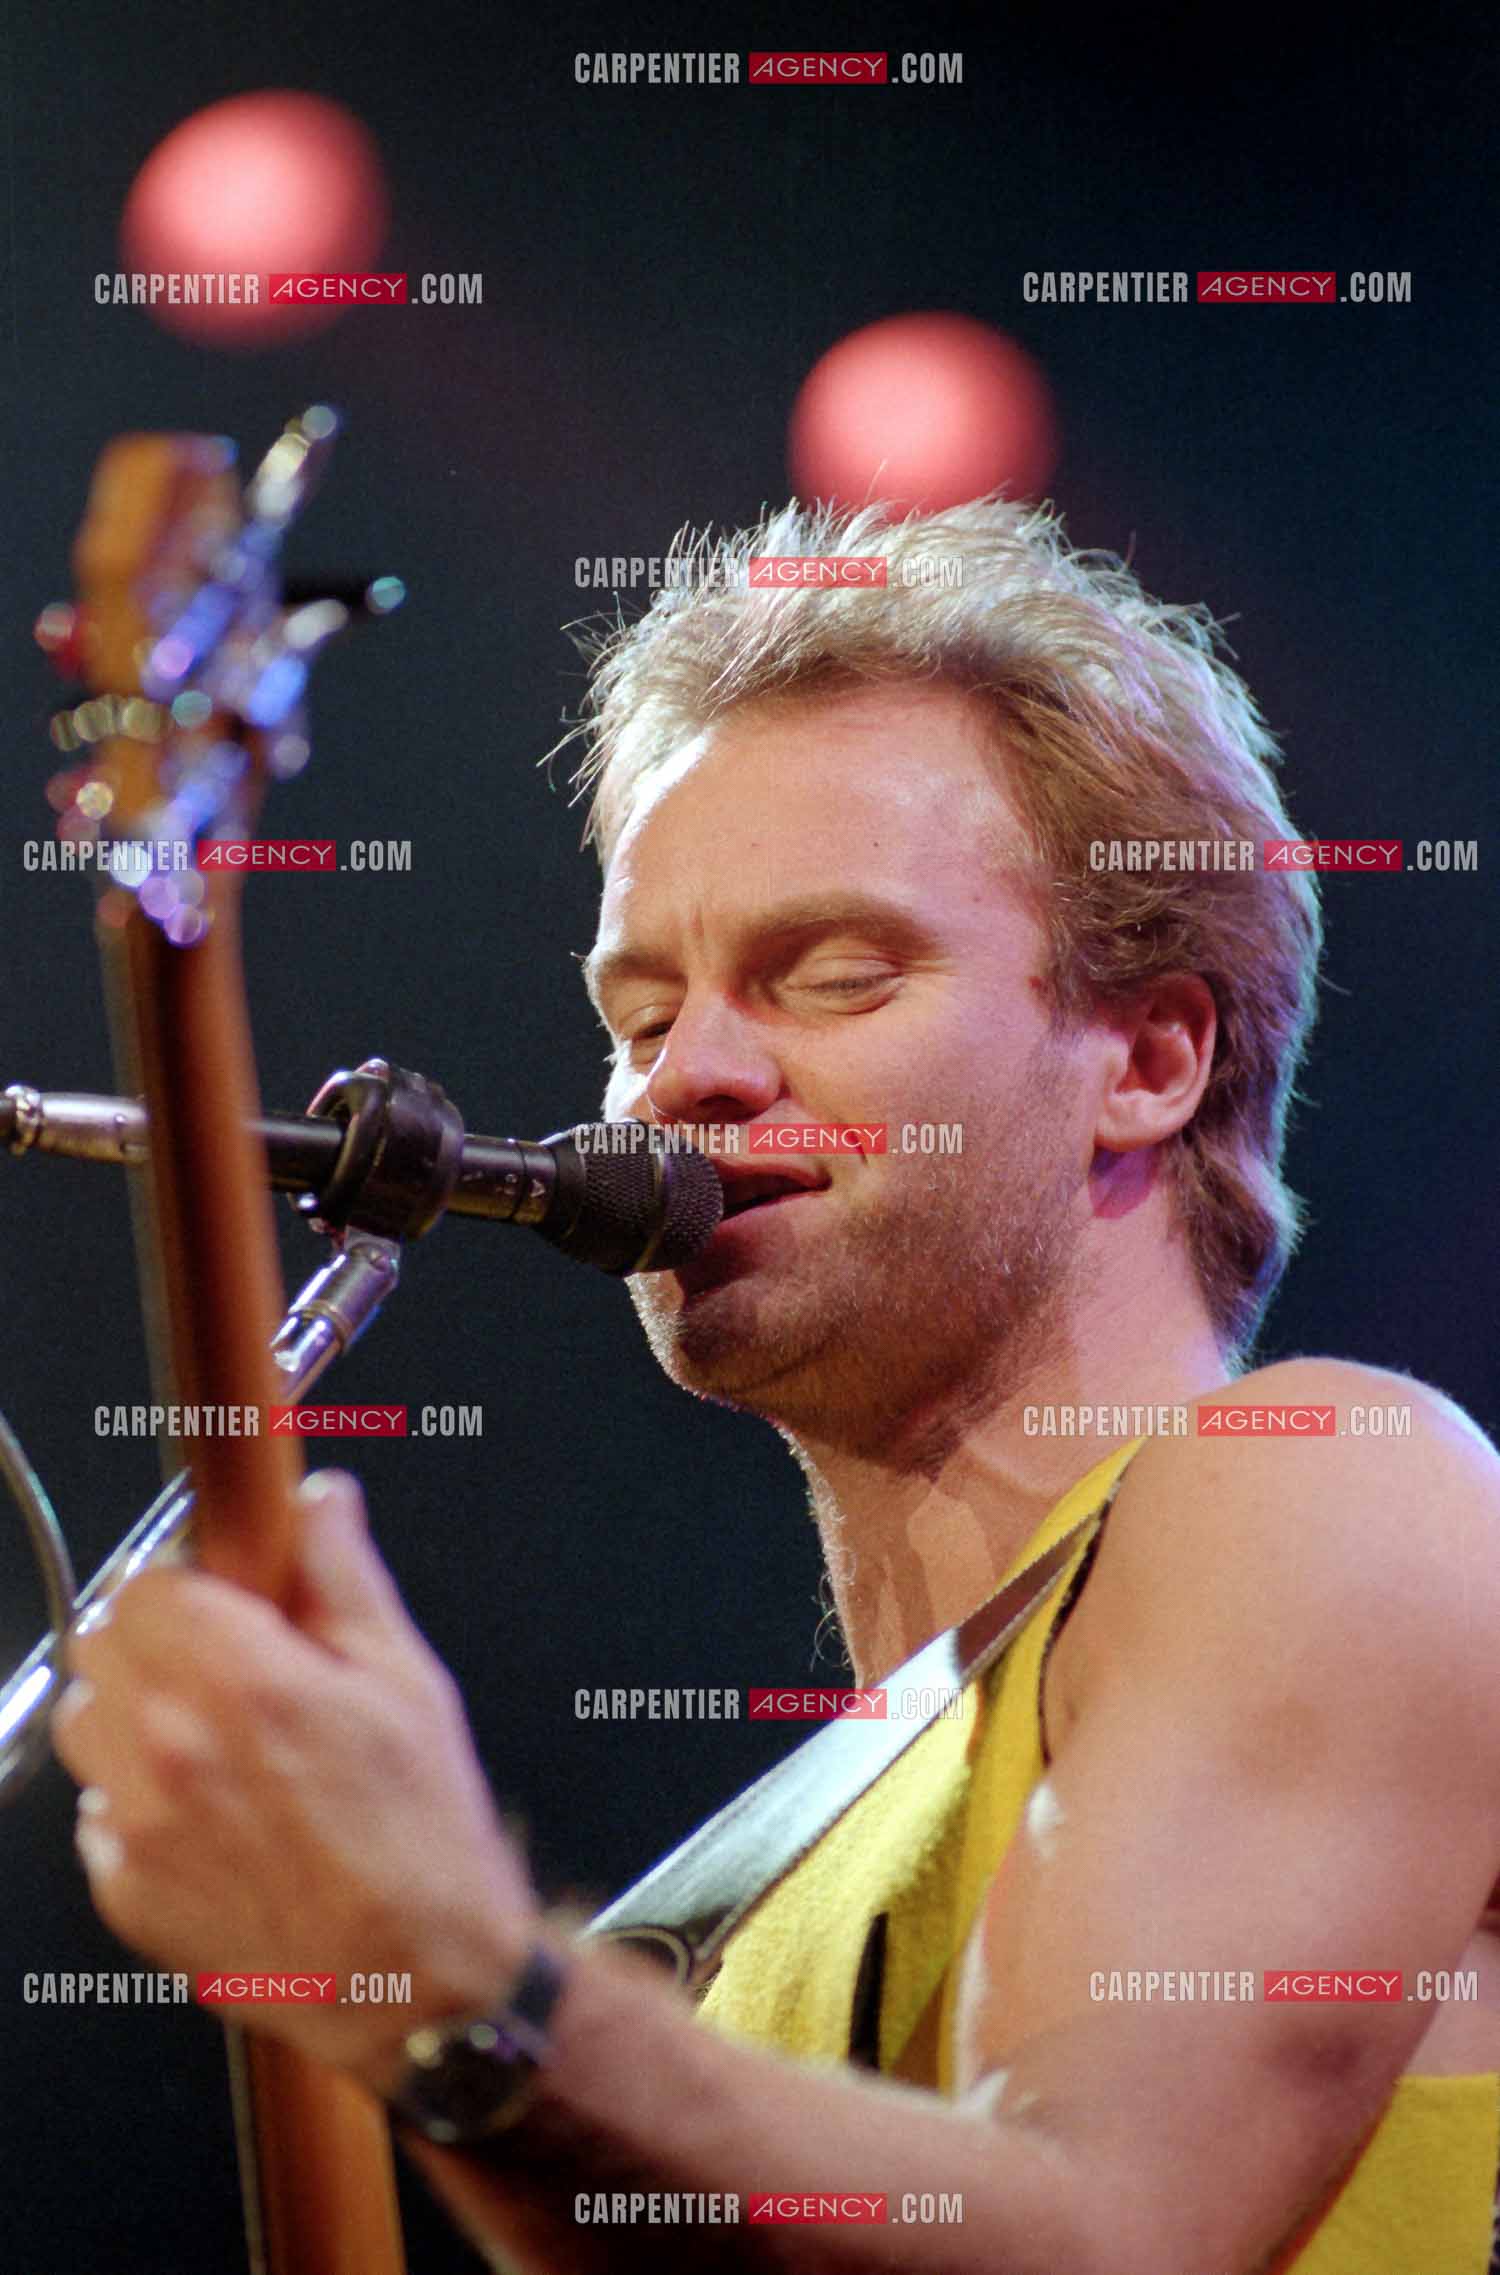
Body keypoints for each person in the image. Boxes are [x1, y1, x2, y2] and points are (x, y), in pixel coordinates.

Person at [54, 498, 1500, 2274]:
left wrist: (464, 1989)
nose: (690, 1082)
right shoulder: (768, 1893)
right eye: (643, 1016)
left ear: (1148, 1056)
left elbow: (1111, 2242)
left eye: (831, 976)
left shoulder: (1322, 1481)